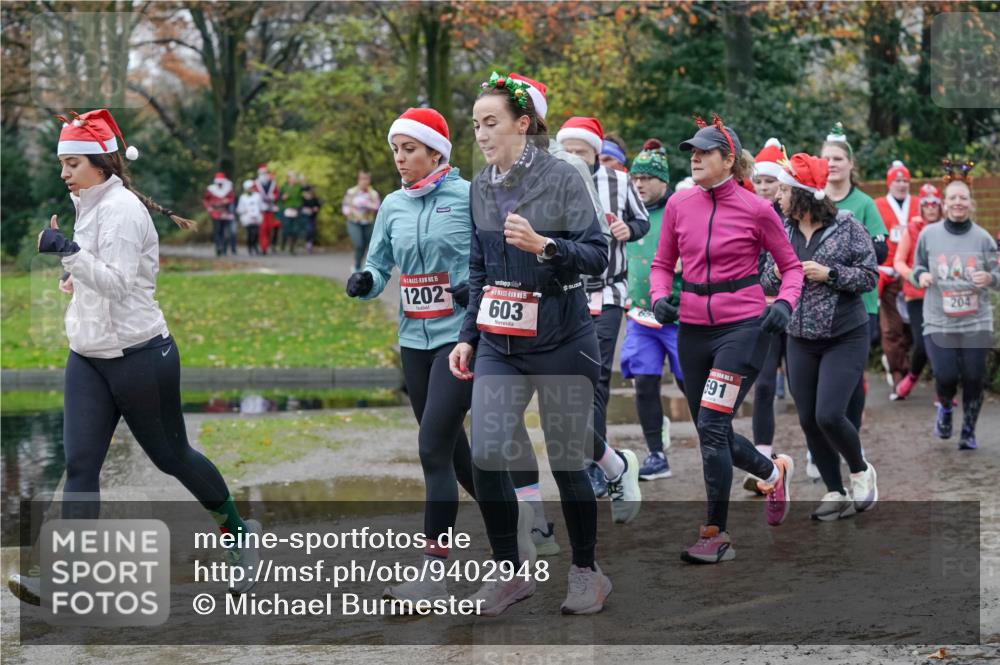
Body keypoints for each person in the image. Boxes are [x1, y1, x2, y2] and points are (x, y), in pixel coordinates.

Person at [9, 109, 260, 605]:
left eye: (72, 163)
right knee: (80, 464)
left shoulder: (123, 210)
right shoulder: (88, 200)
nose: (63, 172)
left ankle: (238, 533)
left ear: (100, 162)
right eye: (62, 162)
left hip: (141, 355)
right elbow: (101, 271)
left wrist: (68, 253)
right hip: (88, 356)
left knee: (172, 458)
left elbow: (122, 283)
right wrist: (76, 274)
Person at [449, 71, 613, 615]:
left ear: (524, 124)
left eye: (490, 122)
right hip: (500, 339)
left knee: (568, 460)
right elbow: (478, 268)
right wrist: (468, 336)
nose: (481, 133)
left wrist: (546, 246)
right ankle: (509, 573)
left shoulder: (563, 177)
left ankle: (588, 571)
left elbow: (598, 255)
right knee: (488, 454)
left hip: (562, 336)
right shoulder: (480, 186)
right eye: (475, 125)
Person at [345, 107, 498, 603]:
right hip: (414, 343)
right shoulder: (390, 205)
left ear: (437, 152)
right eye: (396, 150)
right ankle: (524, 522)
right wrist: (365, 283)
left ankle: (434, 571)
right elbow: (378, 266)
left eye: (409, 149)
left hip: (461, 342)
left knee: (432, 448)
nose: (400, 158)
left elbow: (495, 260)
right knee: (454, 456)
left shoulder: (471, 195)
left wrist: (468, 293)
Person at [649, 114, 803, 564]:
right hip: (693, 329)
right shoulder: (680, 206)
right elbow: (662, 264)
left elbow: (791, 267)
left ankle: (715, 535)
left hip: (743, 328)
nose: (694, 158)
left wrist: (784, 304)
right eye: (691, 152)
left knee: (713, 426)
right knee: (707, 428)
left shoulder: (757, 209)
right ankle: (772, 470)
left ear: (728, 159)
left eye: (703, 152)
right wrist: (660, 297)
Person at [762, 152, 880, 520]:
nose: (778, 197)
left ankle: (861, 470)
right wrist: (780, 276)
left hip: (845, 334)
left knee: (829, 414)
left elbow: (870, 276)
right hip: (799, 336)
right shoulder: (781, 228)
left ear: (801, 194)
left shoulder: (846, 226)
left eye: (783, 190)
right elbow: (766, 277)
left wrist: (829, 274)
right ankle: (835, 490)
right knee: (809, 420)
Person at [556, 115, 648, 506]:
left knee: (594, 381)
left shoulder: (620, 182)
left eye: (582, 152)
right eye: (569, 151)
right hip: (567, 295)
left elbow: (642, 222)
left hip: (608, 292)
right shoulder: (554, 185)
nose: (574, 157)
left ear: (596, 153)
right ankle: (600, 459)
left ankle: (595, 466)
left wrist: (627, 229)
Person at [911, 174, 999, 450]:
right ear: (944, 203)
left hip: (976, 321)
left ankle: (968, 431)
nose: (958, 203)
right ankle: (946, 408)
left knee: (974, 377)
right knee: (946, 375)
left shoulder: (983, 238)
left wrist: (990, 278)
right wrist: (922, 276)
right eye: (952, 198)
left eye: (963, 198)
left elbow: (998, 272)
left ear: (971, 204)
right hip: (939, 320)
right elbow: (916, 268)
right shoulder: (929, 235)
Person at [620, 140, 685, 481]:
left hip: (679, 314)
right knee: (644, 383)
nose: (640, 184)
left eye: (646, 177)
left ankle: (717, 444)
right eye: (635, 178)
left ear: (663, 180)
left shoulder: (680, 208)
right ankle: (656, 454)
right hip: (641, 317)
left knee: (691, 385)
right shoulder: (630, 214)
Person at [821, 123, 888, 439]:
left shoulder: (864, 204)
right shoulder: (813, 202)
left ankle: (852, 436)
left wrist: (839, 253)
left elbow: (881, 250)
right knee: (820, 379)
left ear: (850, 164)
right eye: (827, 159)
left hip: (860, 305)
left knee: (851, 375)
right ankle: (823, 439)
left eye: (838, 158)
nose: (832, 164)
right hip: (817, 303)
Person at [743, 137, 789, 494]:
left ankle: (820, 454)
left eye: (769, 182)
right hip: (762, 307)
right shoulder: (746, 210)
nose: (762, 188)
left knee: (806, 390)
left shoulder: (792, 214)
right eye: (758, 181)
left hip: (796, 307)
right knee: (765, 385)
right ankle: (763, 457)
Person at [892, 183, 943, 399]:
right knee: (923, 342)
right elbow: (899, 261)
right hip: (917, 296)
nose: (931, 209)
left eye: (935, 204)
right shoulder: (912, 231)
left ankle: (943, 388)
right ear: (921, 207)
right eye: (926, 204)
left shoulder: (947, 229)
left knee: (942, 341)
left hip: (943, 295)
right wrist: (914, 276)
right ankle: (913, 379)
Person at [876, 160, 920, 392]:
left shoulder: (920, 205)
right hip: (889, 275)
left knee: (913, 328)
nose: (902, 185)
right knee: (891, 328)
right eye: (897, 180)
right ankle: (897, 371)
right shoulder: (879, 205)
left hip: (914, 276)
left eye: (905, 181)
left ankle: (906, 367)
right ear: (889, 183)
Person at [342, 170, 381, 272]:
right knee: (359, 244)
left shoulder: (373, 193)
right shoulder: (351, 192)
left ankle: (369, 267)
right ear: (358, 180)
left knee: (369, 246)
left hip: (368, 222)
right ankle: (357, 266)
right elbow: (345, 207)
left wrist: (366, 204)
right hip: (354, 222)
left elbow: (378, 206)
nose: (365, 181)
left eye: (367, 179)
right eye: (362, 179)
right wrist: (351, 212)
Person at [203, 171, 235, 256]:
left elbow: (232, 198)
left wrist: (227, 200)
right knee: (217, 230)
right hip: (215, 212)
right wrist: (209, 207)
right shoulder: (211, 189)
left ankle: (224, 249)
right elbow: (206, 200)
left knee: (225, 232)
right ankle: (218, 247)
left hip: (225, 212)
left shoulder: (228, 190)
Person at [256, 164, 280, 255]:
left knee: (270, 228)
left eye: (265, 173)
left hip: (270, 209)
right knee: (262, 229)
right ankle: (263, 247)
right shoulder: (256, 184)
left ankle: (267, 244)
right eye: (262, 173)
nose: (264, 175)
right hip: (260, 210)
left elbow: (277, 194)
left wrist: (273, 197)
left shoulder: (272, 184)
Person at [237, 179, 263, 255]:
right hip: (247, 218)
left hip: (256, 218)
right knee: (250, 233)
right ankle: (250, 248)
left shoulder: (257, 196)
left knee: (256, 233)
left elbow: (260, 206)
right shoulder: (243, 197)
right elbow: (240, 209)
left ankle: (255, 246)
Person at [301, 184, 322, 253]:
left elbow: (318, 206)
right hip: (304, 218)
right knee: (307, 230)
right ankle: (306, 243)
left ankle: (309, 244)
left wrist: (316, 208)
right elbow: (300, 208)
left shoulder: (315, 199)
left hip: (312, 217)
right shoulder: (302, 200)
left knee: (311, 231)